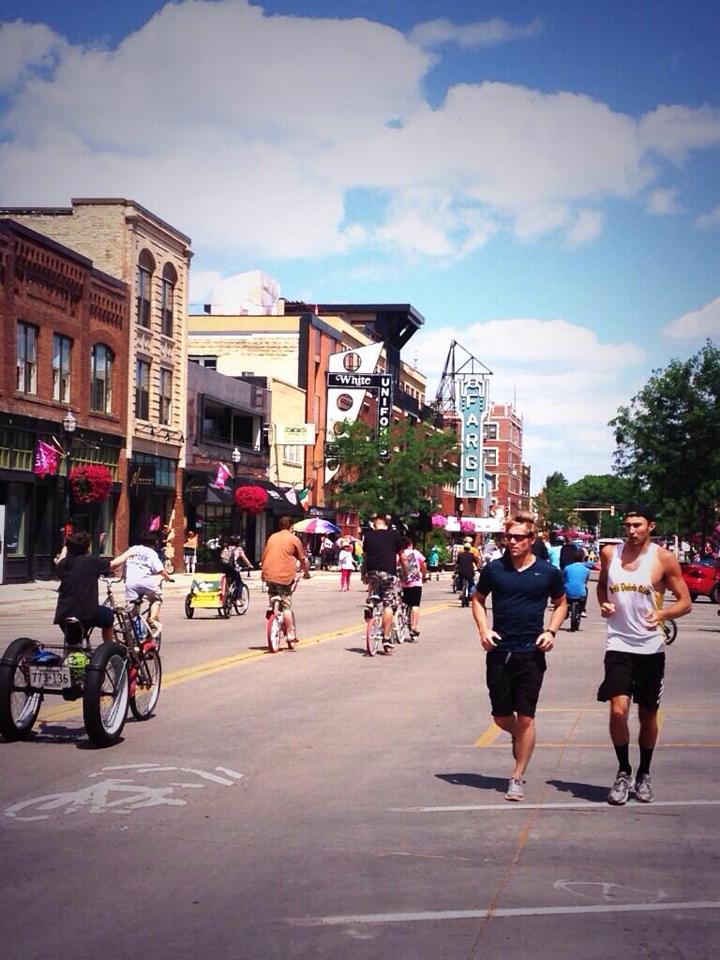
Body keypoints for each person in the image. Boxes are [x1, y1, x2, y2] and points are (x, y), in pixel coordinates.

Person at [597, 504, 691, 805]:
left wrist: (663, 613)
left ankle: (644, 774)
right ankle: (623, 771)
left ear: (651, 526)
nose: (631, 530)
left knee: (647, 714)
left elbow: (685, 602)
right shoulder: (610, 554)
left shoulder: (663, 558)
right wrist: (603, 603)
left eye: (637, 525)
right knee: (617, 711)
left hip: (651, 647)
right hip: (618, 644)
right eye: (627, 525)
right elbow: (602, 586)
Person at [471, 514, 567, 802]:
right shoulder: (494, 570)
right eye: (508, 537)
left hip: (531, 653)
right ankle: (520, 735)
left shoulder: (548, 573)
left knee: (526, 717)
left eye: (518, 537)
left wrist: (551, 631)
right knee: (501, 717)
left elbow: (561, 604)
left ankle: (516, 776)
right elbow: (478, 599)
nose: (511, 542)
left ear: (531, 540)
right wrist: (483, 629)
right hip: (499, 652)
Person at [54, 531, 125, 642]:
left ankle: (74, 649)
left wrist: (65, 547)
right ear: (87, 548)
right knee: (108, 617)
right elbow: (113, 565)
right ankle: (108, 646)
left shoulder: (63, 564)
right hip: (88, 613)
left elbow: (60, 560)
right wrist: (129, 553)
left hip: (64, 614)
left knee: (74, 643)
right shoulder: (92, 561)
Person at [362, 513, 408, 654]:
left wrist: (363, 574)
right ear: (386, 525)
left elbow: (365, 558)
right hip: (388, 572)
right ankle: (386, 639)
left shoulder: (368, 536)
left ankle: (371, 602)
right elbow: (402, 557)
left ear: (374, 525)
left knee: (375, 587)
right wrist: (405, 573)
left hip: (372, 572)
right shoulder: (393, 535)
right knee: (388, 605)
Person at [261, 516, 311, 643]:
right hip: (284, 577)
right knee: (286, 606)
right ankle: (290, 635)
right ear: (291, 527)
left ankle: (271, 606)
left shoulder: (272, 537)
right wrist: (306, 573)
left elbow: (264, 555)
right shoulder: (294, 539)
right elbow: (302, 559)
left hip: (268, 574)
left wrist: (263, 572)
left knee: (272, 591)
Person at [113, 532, 173, 637]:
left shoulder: (133, 549)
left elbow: (125, 565)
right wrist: (169, 578)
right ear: (154, 543)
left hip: (131, 583)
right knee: (157, 599)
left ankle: (127, 634)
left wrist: (124, 577)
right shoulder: (152, 553)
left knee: (132, 610)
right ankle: (152, 619)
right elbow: (160, 570)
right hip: (146, 582)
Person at [399, 535, 427, 638]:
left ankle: (399, 616)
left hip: (402, 583)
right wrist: (424, 576)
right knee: (415, 605)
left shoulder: (399, 554)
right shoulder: (415, 553)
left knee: (402, 602)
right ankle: (414, 628)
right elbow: (424, 565)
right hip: (415, 582)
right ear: (410, 544)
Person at [563, 550, 592, 617]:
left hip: (567, 593)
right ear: (583, 558)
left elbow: (563, 578)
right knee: (586, 589)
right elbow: (586, 581)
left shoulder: (567, 568)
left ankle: (564, 608)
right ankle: (582, 610)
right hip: (581, 594)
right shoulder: (587, 570)